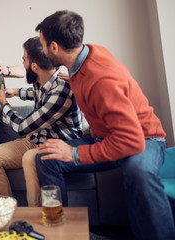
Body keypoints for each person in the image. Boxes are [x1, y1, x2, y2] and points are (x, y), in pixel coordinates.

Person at [35, 10, 175, 240]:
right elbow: (90, 78)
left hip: (144, 139)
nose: (42, 51)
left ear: (54, 47)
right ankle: (63, 231)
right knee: (47, 158)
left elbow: (131, 140)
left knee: (137, 170)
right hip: (107, 138)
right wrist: (74, 78)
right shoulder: (85, 56)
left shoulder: (101, 80)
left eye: (42, 45)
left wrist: (74, 153)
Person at [0, 36, 83, 206]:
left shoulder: (62, 90)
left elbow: (22, 128)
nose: (22, 63)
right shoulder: (42, 80)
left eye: (24, 60)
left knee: (30, 158)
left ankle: (35, 214)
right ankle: (7, 210)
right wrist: (14, 91)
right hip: (36, 139)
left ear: (34, 66)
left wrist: (3, 102)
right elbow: (34, 92)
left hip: (58, 144)